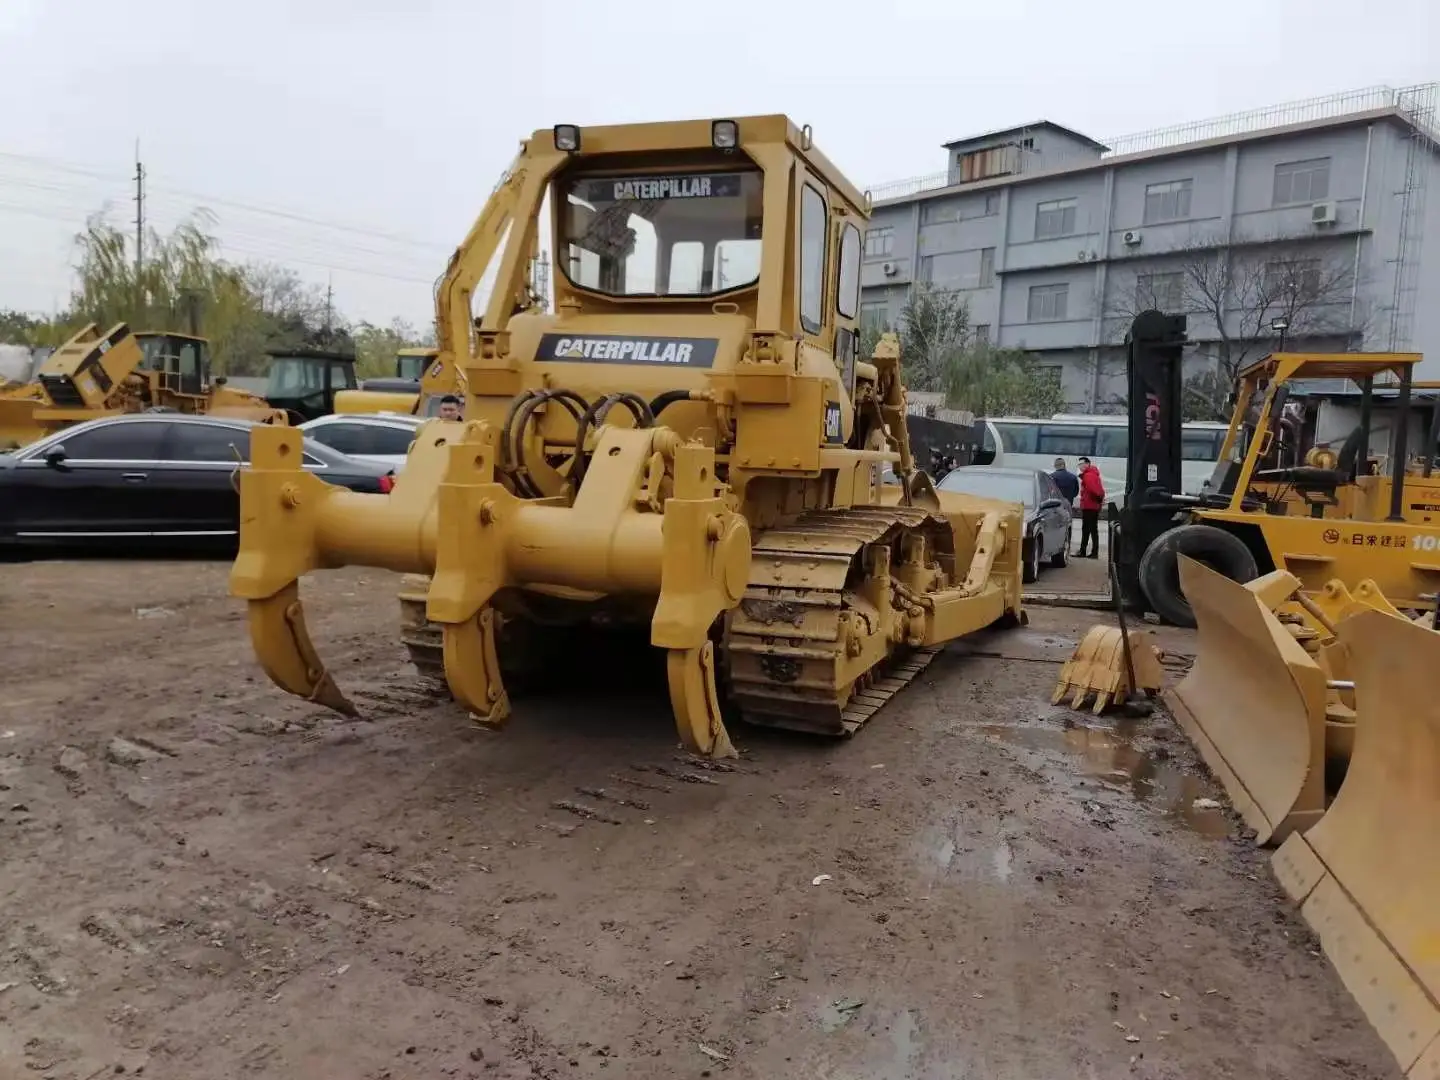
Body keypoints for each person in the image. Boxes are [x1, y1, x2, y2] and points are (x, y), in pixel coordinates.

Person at [1076, 456, 1105, 559]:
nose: (1080, 466)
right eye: (1079, 464)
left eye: (1081, 464)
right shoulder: (1093, 474)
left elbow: (1094, 490)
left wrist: (1096, 499)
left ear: (1087, 464)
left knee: (1087, 529)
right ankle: (1093, 551)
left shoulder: (1088, 476)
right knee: (1093, 529)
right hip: (1093, 506)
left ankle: (1084, 551)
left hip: (1089, 506)